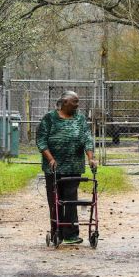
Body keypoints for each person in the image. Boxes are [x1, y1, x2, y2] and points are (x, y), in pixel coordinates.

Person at [37, 91, 96, 245]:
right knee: (54, 199)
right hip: (53, 167)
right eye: (74, 102)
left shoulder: (80, 118)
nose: (77, 105)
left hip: (73, 165)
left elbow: (87, 138)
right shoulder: (49, 118)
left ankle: (71, 234)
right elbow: (41, 140)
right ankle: (56, 231)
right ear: (64, 102)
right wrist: (50, 158)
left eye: (78, 102)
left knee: (70, 199)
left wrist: (91, 158)